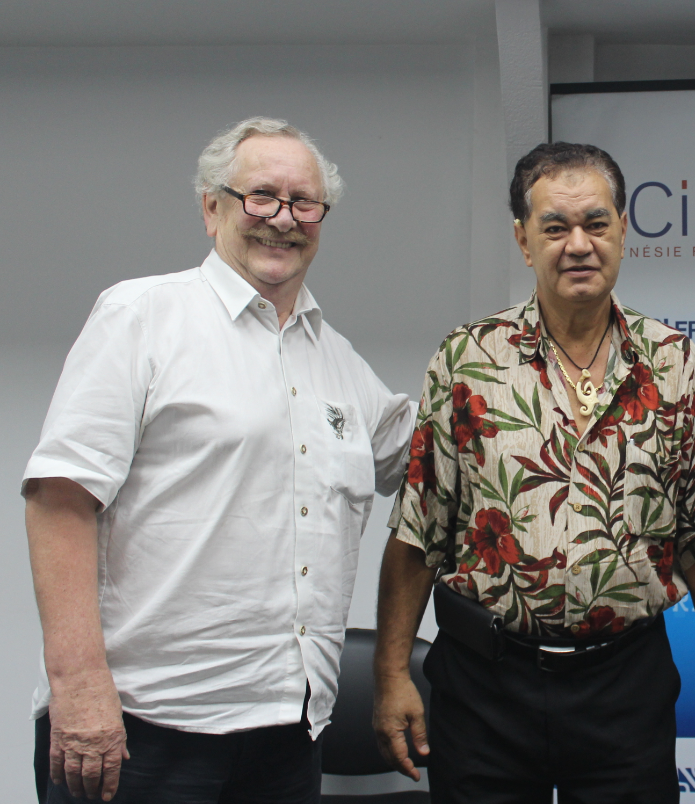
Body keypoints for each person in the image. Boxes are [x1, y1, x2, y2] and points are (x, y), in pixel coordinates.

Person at [22, 117, 414, 803]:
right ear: (211, 207)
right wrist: (78, 687)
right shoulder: (141, 316)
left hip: (288, 737)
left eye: (304, 203)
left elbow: (433, 460)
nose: (282, 219)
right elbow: (59, 500)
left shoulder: (339, 361)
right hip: (143, 729)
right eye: (260, 196)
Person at [373, 142, 695, 803]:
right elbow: (418, 531)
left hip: (623, 684)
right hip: (484, 685)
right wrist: (389, 675)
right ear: (524, 241)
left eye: (595, 223)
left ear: (622, 231)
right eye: (555, 227)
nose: (577, 243)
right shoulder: (468, 359)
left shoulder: (672, 362)